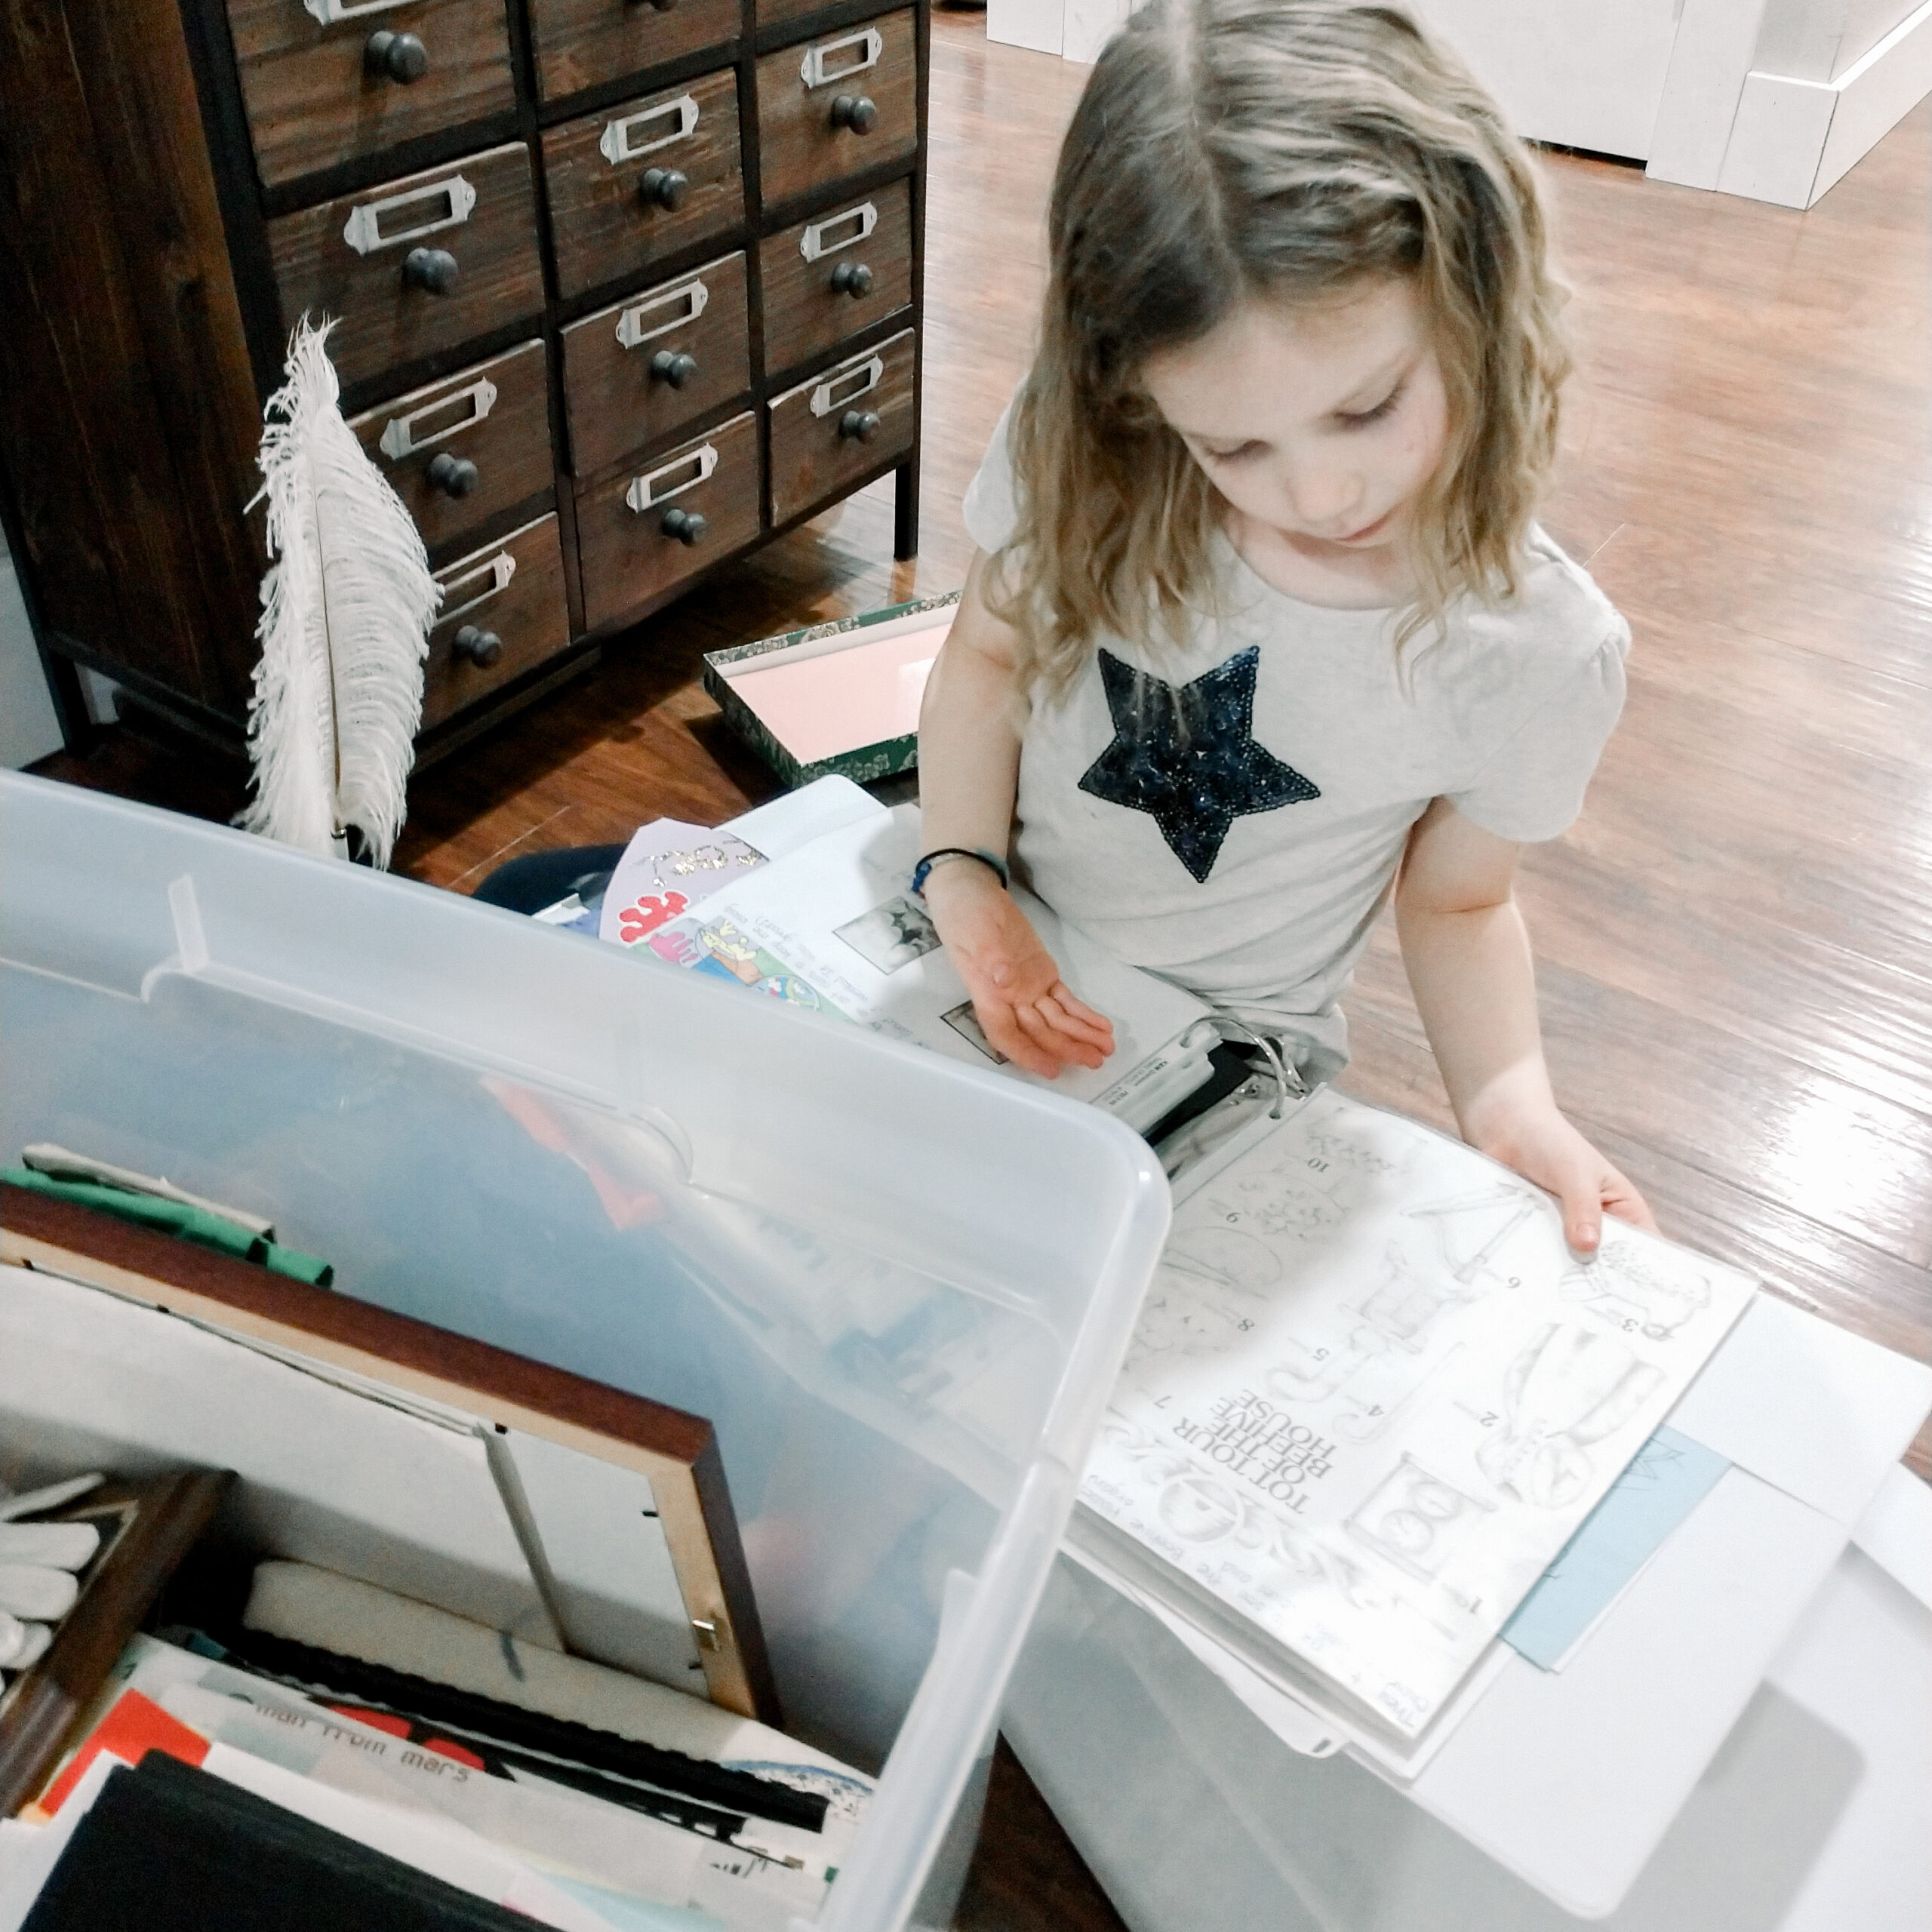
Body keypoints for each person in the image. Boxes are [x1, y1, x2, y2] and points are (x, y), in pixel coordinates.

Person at [915, 0, 1655, 1254]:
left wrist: (1510, 1100)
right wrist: (964, 874)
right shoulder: (1094, 444)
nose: (1320, 497)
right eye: (1232, 446)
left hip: (1227, 1061)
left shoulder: (1536, 650)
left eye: (1368, 407)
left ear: (1479, 295)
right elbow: (986, 655)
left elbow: (1462, 905)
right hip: (985, 942)